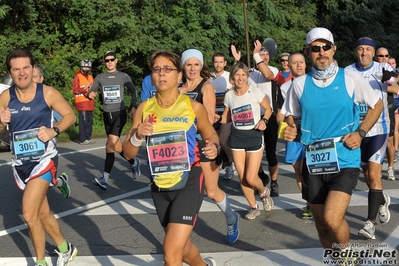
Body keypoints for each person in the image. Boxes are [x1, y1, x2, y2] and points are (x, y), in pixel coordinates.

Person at [282, 28, 382, 260]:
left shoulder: (350, 78)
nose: (322, 52)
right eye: (315, 48)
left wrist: (360, 132)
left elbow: (376, 105)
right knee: (321, 225)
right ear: (308, 52)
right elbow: (291, 115)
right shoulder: (299, 84)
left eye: (326, 47)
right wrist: (291, 128)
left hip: (345, 156)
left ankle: (346, 255)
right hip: (314, 159)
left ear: (334, 48)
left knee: (332, 218)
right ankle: (337, 260)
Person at [122, 50, 217, 266]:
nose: (161, 74)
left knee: (170, 252)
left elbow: (211, 135)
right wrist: (137, 135)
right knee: (182, 249)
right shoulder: (144, 109)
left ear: (179, 75)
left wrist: (215, 147)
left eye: (167, 69)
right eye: (156, 69)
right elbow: (128, 153)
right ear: (151, 76)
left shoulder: (193, 107)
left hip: (190, 178)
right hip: (160, 182)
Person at [0, 48, 78, 266]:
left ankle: (41, 262)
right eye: (16, 69)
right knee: (42, 214)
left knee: (28, 213)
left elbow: (70, 115)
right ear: (10, 72)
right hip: (21, 164)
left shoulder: (48, 93)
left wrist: (54, 131)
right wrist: (0, 120)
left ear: (33, 69)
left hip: (44, 160)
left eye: (26, 67)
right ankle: (66, 249)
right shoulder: (5, 97)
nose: (22, 73)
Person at [179, 49, 239, 244]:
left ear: (201, 66)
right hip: (181, 145)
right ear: (183, 66)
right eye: (189, 64)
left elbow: (207, 117)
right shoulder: (177, 87)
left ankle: (231, 218)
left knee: (211, 191)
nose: (193, 68)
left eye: (196, 64)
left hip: (203, 142)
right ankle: (179, 237)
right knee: (182, 190)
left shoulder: (207, 87)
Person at [346, 39, 395, 240]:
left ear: (373, 52)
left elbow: (395, 84)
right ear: (356, 51)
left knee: (374, 176)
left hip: (379, 128)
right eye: (360, 49)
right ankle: (381, 199)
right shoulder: (347, 71)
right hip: (357, 130)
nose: (364, 53)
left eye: (368, 49)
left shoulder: (382, 67)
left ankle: (369, 224)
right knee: (367, 176)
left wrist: (388, 80)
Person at [218, 61, 274, 220]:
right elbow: (227, 116)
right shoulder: (229, 95)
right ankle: (253, 207)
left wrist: (264, 121)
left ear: (247, 77)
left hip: (254, 136)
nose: (240, 78)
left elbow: (268, 109)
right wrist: (217, 121)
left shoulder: (254, 92)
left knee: (250, 177)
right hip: (236, 138)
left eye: (243, 75)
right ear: (232, 78)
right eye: (237, 75)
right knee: (242, 177)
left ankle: (264, 193)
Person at [88, 51, 141, 190]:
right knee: (116, 147)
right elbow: (92, 90)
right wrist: (90, 94)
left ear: (116, 61)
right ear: (104, 62)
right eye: (107, 60)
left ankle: (104, 179)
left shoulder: (123, 76)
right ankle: (134, 162)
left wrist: (134, 106)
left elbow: (133, 91)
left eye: (112, 60)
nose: (109, 62)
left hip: (119, 113)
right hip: (107, 115)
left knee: (109, 145)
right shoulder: (100, 77)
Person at [276, 52, 312, 219]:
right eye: (294, 63)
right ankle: (309, 202)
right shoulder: (284, 87)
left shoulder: (314, 82)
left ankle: (318, 200)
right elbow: (283, 112)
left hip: (313, 129)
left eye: (301, 62)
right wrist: (287, 123)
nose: (298, 65)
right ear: (289, 66)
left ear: (306, 64)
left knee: (313, 169)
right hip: (295, 129)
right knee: (298, 170)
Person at [32, 65, 71, 200]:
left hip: (46, 145)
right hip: (27, 147)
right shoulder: (21, 97)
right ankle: (60, 181)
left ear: (42, 78)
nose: (32, 80)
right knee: (37, 179)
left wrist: (52, 131)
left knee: (39, 184)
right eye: (30, 77)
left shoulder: (48, 96)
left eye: (35, 77)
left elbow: (66, 117)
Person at [247, 41, 281, 196]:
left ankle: (274, 182)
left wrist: (256, 55)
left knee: (271, 153)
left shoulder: (273, 69)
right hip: (253, 117)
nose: (265, 57)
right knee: (253, 152)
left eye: (267, 54)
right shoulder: (250, 73)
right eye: (262, 54)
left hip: (269, 116)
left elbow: (268, 75)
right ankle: (261, 176)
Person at [209, 52, 235, 180]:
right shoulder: (209, 78)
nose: (218, 64)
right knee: (214, 142)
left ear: (225, 63)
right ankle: (218, 165)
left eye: (221, 62)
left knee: (224, 142)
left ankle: (231, 164)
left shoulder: (229, 77)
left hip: (226, 114)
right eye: (216, 62)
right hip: (212, 114)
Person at [375, 47, 396, 180]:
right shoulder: (370, 70)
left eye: (386, 56)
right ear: (375, 57)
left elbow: (396, 87)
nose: (384, 58)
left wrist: (381, 85)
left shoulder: (390, 70)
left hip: (387, 109)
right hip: (371, 110)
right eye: (381, 56)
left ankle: (390, 168)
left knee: (389, 142)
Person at [72, 59, 96, 145]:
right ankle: (83, 139)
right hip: (82, 103)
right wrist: (84, 89)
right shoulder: (78, 77)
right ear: (81, 67)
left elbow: (94, 88)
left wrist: (94, 93)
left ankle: (88, 138)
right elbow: (75, 90)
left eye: (87, 67)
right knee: (83, 122)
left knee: (89, 122)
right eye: (84, 67)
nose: (86, 68)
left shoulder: (90, 77)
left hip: (90, 103)